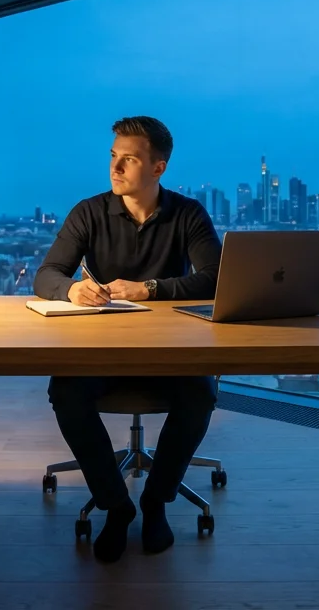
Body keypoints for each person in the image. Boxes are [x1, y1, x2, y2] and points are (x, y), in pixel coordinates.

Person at [33, 116, 222, 562]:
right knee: (66, 391)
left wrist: (151, 289)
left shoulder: (188, 213)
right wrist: (72, 289)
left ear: (158, 168)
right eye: (113, 157)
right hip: (103, 347)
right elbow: (47, 275)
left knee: (200, 391)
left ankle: (157, 500)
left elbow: (215, 279)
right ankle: (116, 504)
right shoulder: (89, 212)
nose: (115, 168)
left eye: (129, 159)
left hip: (169, 349)